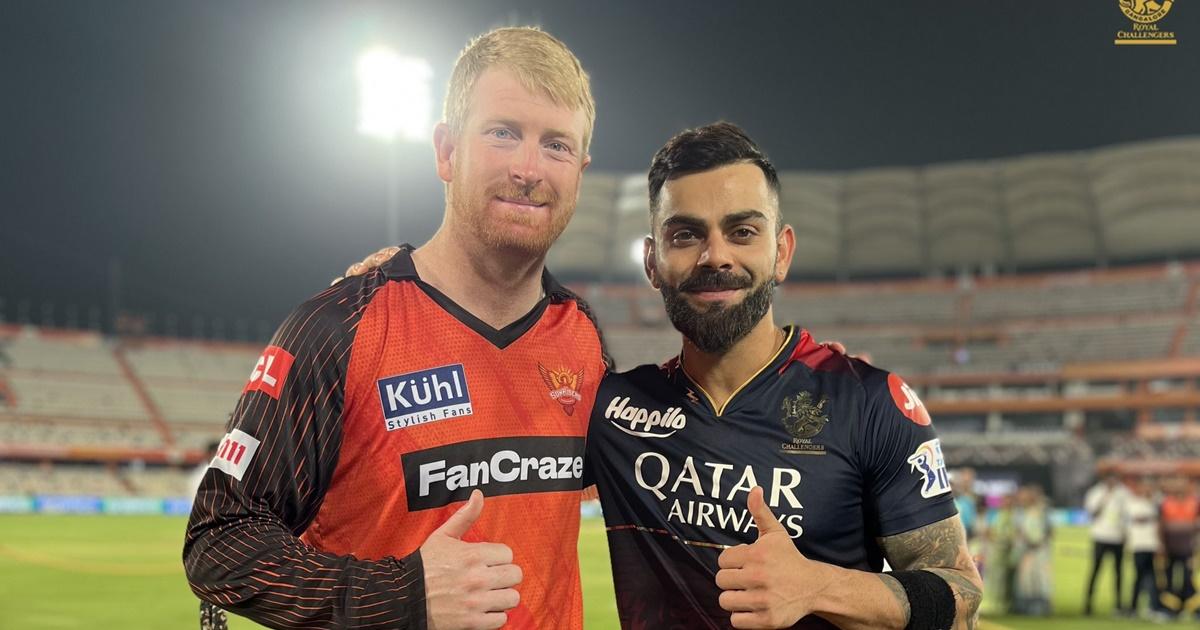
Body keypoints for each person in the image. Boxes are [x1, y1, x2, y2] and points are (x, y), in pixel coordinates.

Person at [184, 26, 606, 629]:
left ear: (580, 172)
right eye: (503, 133)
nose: (528, 168)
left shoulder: (582, 337)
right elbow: (219, 539)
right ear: (446, 151)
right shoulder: (336, 329)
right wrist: (404, 595)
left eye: (556, 145)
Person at [583, 123, 982, 629]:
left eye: (742, 232)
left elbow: (962, 598)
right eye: (685, 235)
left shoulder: (868, 403)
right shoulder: (613, 411)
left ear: (782, 253)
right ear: (651, 262)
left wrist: (819, 587)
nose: (715, 256)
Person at [1083, 471, 1130, 616]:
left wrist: (1126, 534)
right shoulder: (1096, 492)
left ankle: (1118, 605)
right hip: (1100, 536)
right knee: (1095, 571)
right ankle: (1088, 605)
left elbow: (1127, 515)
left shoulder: (1123, 493)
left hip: (1117, 537)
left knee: (1118, 573)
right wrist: (1105, 498)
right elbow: (1092, 513)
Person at [1157, 475, 1198, 617]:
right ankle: (1170, 610)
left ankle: (1191, 609)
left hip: (1188, 549)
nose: (1179, 487)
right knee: (1169, 579)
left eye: (1182, 484)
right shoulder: (1166, 503)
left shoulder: (1194, 502)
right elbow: (1161, 525)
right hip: (1170, 549)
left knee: (1188, 579)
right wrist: (1162, 545)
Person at [1010, 485, 1052, 616]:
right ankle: (1025, 607)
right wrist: (1027, 541)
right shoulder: (1020, 513)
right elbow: (1018, 530)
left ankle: (1042, 607)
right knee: (1025, 580)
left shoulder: (1042, 512)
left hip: (1041, 550)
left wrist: (1039, 541)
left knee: (1041, 578)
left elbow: (1049, 530)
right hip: (1025, 550)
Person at [1125, 475, 1163, 619]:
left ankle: (1151, 607)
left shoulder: (1156, 502)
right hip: (1139, 545)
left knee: (1152, 577)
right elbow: (1138, 518)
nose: (1147, 489)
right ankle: (1134, 607)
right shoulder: (1134, 503)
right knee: (1140, 577)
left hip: (1152, 545)